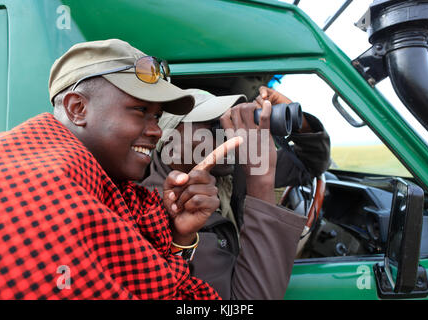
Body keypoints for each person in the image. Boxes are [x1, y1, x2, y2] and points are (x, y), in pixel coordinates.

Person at [0, 39, 225, 299]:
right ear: (77, 108)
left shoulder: (109, 191)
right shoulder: (39, 191)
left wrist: (180, 235)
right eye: (140, 110)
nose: (156, 130)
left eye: (157, 116)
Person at [140, 87, 331, 299]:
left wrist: (299, 121)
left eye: (229, 123)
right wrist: (261, 185)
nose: (229, 135)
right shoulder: (159, 213)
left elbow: (312, 163)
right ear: (168, 142)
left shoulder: (229, 175)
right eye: (215, 128)